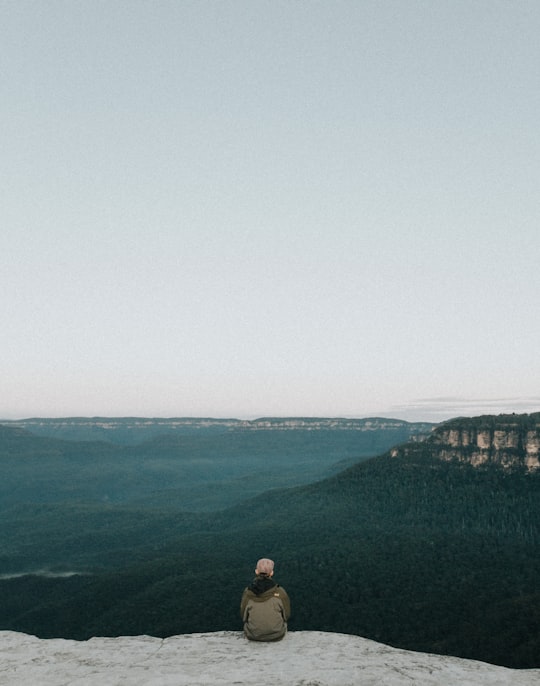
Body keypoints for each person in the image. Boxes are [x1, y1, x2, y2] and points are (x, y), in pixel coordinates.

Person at [240, 557, 291, 641]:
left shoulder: (248, 593)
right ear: (272, 573)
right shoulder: (280, 592)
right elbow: (287, 615)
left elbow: (243, 616)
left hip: (252, 634)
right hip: (277, 635)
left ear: (256, 571)